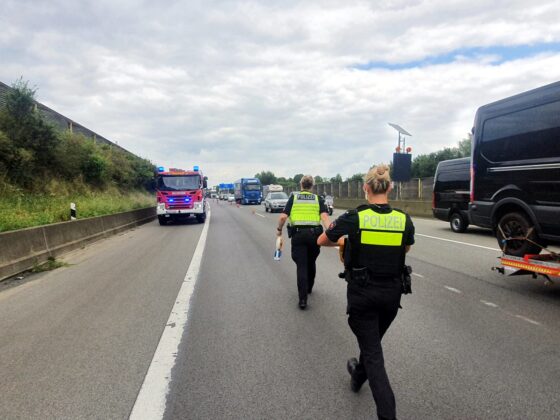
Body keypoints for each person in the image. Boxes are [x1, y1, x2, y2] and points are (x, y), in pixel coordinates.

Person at [317, 164, 414, 420]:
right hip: (391, 299)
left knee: (374, 355)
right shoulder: (404, 219)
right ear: (390, 187)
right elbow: (405, 249)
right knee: (371, 345)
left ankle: (387, 414)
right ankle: (357, 375)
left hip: (363, 296)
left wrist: (343, 239)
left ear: (365, 188)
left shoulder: (355, 217)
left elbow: (322, 240)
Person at [277, 175, 331, 309]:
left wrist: (279, 230)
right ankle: (309, 287)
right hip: (314, 236)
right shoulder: (318, 199)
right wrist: (331, 234)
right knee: (311, 262)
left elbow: (283, 217)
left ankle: (302, 300)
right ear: (312, 186)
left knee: (301, 266)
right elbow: (324, 217)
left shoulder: (294, 198)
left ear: (301, 185)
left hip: (298, 235)